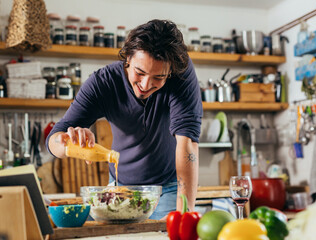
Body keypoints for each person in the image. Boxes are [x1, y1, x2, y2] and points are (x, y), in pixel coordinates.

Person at [46, 19, 203, 220]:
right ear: (127, 58)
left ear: (170, 71)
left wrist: (184, 214)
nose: (146, 84)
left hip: (168, 189)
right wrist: (67, 141)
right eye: (140, 72)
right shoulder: (103, 83)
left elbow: (187, 143)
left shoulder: (181, 74)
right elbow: (52, 141)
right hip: (119, 189)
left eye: (159, 77)